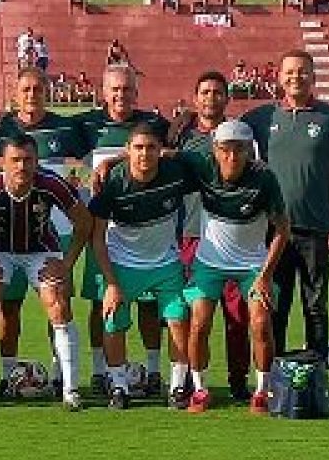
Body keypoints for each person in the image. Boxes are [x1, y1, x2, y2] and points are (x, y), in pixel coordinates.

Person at [0, 135, 93, 411]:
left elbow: (84, 221)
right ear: (3, 163)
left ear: (36, 161)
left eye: (28, 160)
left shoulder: (51, 184)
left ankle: (70, 391)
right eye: (15, 160)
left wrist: (67, 262)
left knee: (58, 305)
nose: (22, 167)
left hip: (40, 250)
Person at [0, 68, 91, 398]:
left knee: (57, 303)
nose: (32, 94)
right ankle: (10, 376)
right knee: (7, 308)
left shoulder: (67, 126)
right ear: (15, 92)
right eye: (25, 89)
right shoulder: (2, 128)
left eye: (38, 88)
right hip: (5, 233)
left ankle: (59, 375)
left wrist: (89, 175)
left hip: (55, 231)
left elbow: (92, 158)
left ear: (47, 91)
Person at [241, 51, 329, 365]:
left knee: (316, 305)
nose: (295, 77)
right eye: (289, 72)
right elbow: (224, 135)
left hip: (316, 229)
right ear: (278, 77)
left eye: (302, 72)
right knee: (275, 304)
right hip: (274, 233)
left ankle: (316, 371)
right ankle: (272, 374)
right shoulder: (261, 118)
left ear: (313, 77)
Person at [73, 65, 171, 397]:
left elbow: (170, 154)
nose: (121, 95)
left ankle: (154, 370)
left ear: (136, 92)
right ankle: (101, 371)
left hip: (145, 235)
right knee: (102, 303)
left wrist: (114, 160)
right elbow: (56, 153)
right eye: (115, 90)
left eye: (127, 89)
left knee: (148, 306)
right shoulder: (85, 124)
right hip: (104, 233)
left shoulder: (154, 124)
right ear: (104, 92)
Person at [182, 120, 291, 414]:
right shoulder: (201, 166)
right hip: (209, 262)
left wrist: (266, 276)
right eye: (225, 149)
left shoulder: (264, 178)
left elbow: (282, 228)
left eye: (239, 150)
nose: (232, 157)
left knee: (259, 323)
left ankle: (261, 391)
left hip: (252, 265)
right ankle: (200, 389)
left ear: (249, 151)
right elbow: (161, 156)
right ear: (215, 150)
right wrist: (113, 162)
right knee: (199, 322)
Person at [88, 122, 197, 410]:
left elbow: (207, 164)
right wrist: (111, 283)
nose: (144, 154)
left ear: (161, 151)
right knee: (113, 322)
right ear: (128, 151)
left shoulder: (176, 173)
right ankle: (119, 388)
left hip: (166, 263)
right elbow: (97, 238)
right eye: (138, 148)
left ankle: (176, 388)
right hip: (122, 264)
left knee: (178, 321)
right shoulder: (112, 184)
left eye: (151, 148)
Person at [168, 71, 251, 399]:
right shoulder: (181, 136)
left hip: (231, 237)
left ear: (226, 98)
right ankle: (188, 377)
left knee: (237, 315)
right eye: (205, 92)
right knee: (190, 314)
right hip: (191, 234)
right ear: (195, 97)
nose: (211, 98)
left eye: (218, 92)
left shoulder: (238, 137)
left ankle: (238, 380)